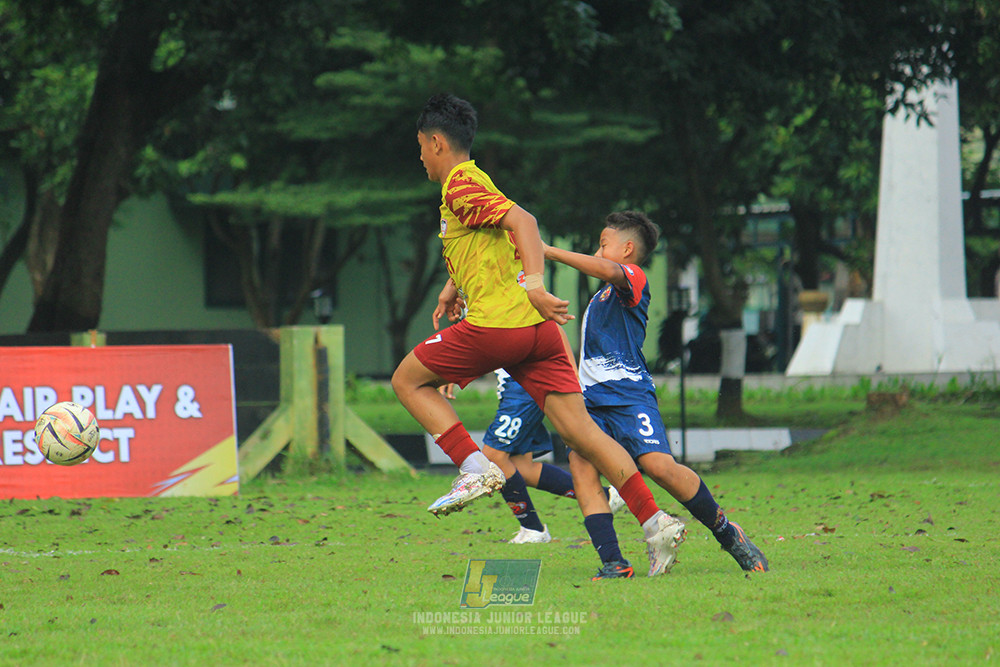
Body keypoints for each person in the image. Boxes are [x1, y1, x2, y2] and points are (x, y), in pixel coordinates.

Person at [391, 93, 685, 578]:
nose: (419, 156)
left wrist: (534, 285)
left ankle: (474, 467)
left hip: (500, 326)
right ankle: (655, 523)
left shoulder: (459, 184)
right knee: (584, 435)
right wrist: (453, 286)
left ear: (437, 142)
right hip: (539, 335)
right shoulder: (475, 180)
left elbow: (522, 222)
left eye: (421, 146)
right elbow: (492, 239)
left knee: (407, 381)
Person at [544, 210, 769, 573]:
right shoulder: (599, 299)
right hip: (590, 401)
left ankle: (728, 534)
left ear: (628, 249)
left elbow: (607, 271)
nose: (598, 253)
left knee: (659, 466)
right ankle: (613, 562)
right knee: (581, 467)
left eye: (604, 245)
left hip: (628, 395)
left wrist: (549, 252)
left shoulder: (633, 277)